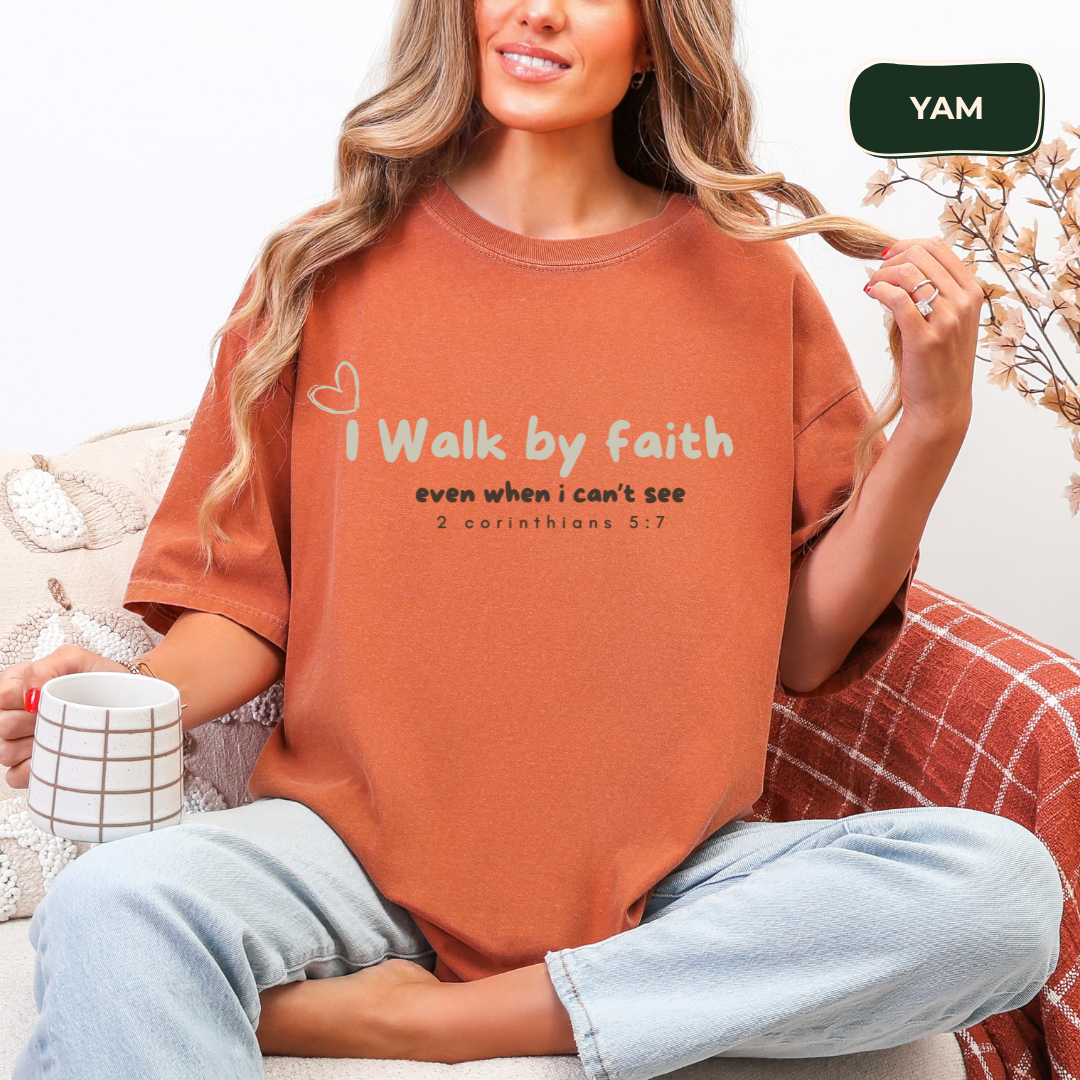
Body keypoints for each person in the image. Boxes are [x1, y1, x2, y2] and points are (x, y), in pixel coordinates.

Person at [0, 1, 1064, 1078]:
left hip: (671, 881)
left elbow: (807, 646)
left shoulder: (750, 282)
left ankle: (425, 1023)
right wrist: (135, 697)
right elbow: (244, 606)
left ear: (654, 35)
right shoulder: (323, 268)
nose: (539, 11)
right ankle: (566, 1011)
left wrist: (933, 424)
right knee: (112, 905)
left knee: (1001, 892)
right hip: (344, 858)